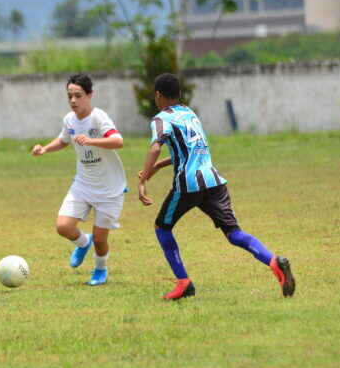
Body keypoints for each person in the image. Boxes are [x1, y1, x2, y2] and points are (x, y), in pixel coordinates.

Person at [138, 73, 295, 300]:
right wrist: (157, 168)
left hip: (188, 185)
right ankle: (273, 262)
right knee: (233, 233)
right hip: (213, 181)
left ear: (158, 96)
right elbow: (187, 151)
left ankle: (184, 283)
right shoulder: (190, 114)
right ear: (180, 94)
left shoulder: (161, 119)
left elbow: (155, 147)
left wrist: (143, 181)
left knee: (162, 227)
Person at [31, 74, 126, 286]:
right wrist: (45, 149)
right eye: (70, 96)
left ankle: (100, 270)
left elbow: (117, 141)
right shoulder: (69, 120)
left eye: (78, 96)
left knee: (101, 239)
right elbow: (64, 140)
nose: (73, 100)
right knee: (63, 226)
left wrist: (91, 140)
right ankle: (83, 244)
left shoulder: (99, 118)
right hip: (83, 183)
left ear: (89, 95)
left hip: (109, 187)